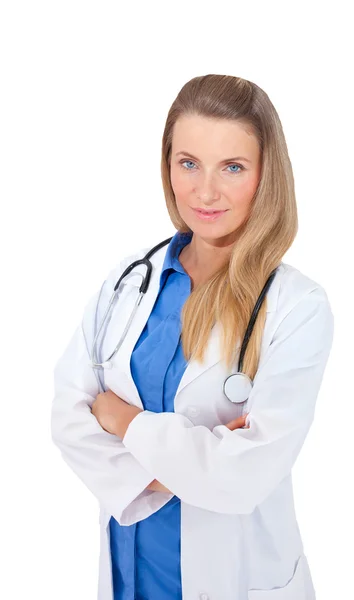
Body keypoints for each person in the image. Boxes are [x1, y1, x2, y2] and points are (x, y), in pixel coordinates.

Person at [51, 73, 334, 600]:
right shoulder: (127, 283)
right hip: (129, 578)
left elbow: (245, 477)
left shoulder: (297, 308)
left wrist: (124, 422)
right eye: (188, 163)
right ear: (168, 167)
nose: (205, 191)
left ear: (265, 175)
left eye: (232, 167)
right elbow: (68, 419)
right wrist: (194, 466)